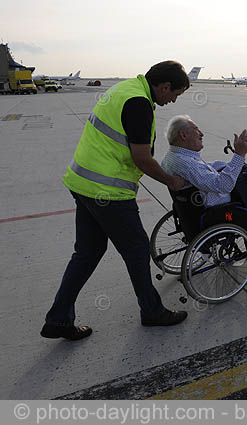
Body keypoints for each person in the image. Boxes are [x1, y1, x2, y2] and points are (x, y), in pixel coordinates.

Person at [41, 61, 191, 341]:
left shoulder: (126, 88)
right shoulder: (139, 103)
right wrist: (171, 181)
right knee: (136, 250)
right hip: (107, 192)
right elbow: (142, 158)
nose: (172, 101)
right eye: (175, 94)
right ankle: (152, 311)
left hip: (83, 183)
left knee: (87, 252)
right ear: (164, 86)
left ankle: (58, 319)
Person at [161, 115, 247, 257]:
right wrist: (239, 155)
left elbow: (205, 168)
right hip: (217, 211)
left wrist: (231, 164)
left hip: (193, 209)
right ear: (183, 134)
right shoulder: (187, 164)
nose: (201, 133)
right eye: (196, 129)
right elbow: (223, 185)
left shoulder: (172, 157)